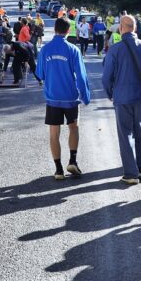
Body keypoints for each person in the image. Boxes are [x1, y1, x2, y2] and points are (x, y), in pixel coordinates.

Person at [102, 15, 141, 184]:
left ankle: (131, 173)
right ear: (134, 28)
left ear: (122, 28)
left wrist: (110, 93)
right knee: (140, 130)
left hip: (122, 96)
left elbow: (106, 77)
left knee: (125, 134)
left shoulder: (115, 49)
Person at [35, 17, 90, 180]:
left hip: (52, 98)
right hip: (70, 98)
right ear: (68, 31)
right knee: (73, 128)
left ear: (55, 29)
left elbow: (40, 74)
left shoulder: (45, 49)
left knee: (54, 133)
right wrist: (85, 96)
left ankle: (58, 170)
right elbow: (81, 75)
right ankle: (72, 160)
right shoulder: (73, 49)